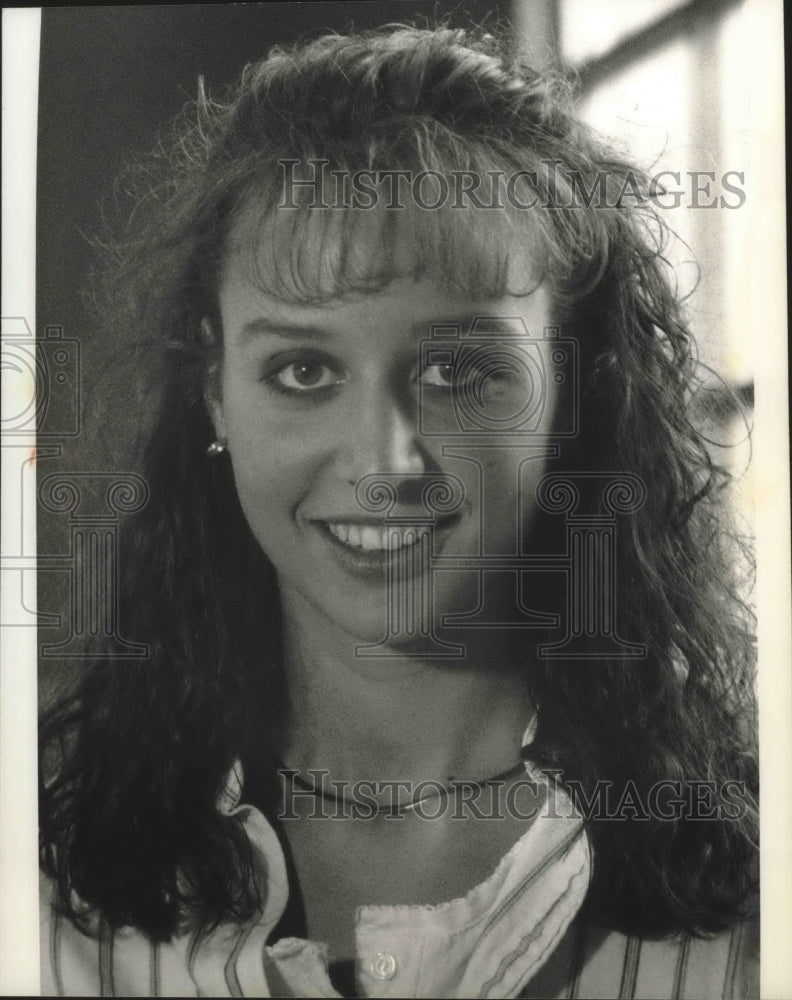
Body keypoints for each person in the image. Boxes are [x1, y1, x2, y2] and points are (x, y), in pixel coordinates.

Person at [38, 24, 758, 998]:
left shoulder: (759, 872)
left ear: (573, 393)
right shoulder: (39, 870)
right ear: (216, 392)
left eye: (457, 369)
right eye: (302, 369)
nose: (384, 460)